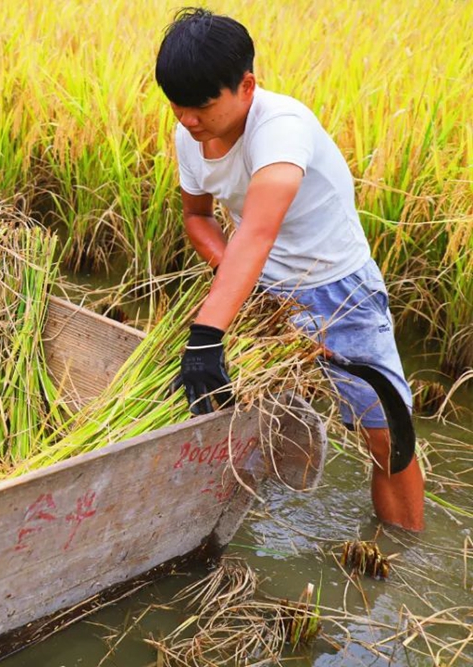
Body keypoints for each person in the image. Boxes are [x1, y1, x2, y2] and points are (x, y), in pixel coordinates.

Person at [155, 7, 424, 531]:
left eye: (202, 106)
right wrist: (240, 283)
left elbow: (258, 231)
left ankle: (401, 554)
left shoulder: (281, 129)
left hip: (337, 293)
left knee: (387, 434)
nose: (187, 120)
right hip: (253, 287)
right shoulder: (189, 134)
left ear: (246, 86)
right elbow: (197, 217)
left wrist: (209, 332)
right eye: (176, 105)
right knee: (227, 412)